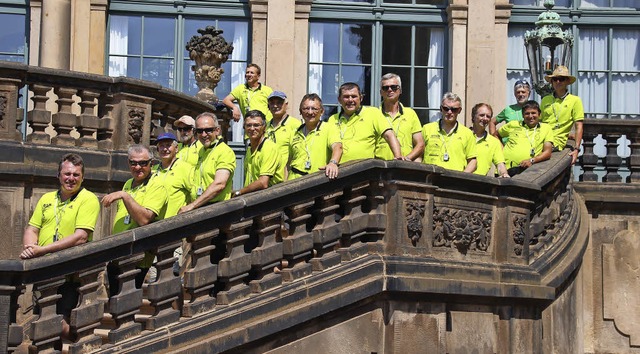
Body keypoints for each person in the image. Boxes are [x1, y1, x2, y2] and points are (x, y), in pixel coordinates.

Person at [20, 153, 100, 340]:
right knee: (42, 320)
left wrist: (42, 250)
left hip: (70, 273)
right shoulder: (47, 198)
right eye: (67, 174)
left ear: (82, 177)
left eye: (76, 175)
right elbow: (32, 228)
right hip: (45, 271)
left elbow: (80, 237)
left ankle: (80, 342)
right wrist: (30, 247)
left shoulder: (87, 199)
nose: (71, 178)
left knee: (61, 324)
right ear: (58, 175)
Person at [102, 145, 168, 292]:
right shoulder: (128, 184)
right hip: (119, 251)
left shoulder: (157, 185)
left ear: (151, 163)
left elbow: (145, 219)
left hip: (137, 257)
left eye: (143, 163)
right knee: (114, 301)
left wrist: (125, 196)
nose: (138, 167)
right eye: (133, 163)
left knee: (126, 302)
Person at [326, 82, 404, 163]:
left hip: (364, 170)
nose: (350, 100)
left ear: (361, 98)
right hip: (339, 171)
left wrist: (398, 158)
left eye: (354, 96)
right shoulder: (333, 119)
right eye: (346, 97)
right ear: (339, 99)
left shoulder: (373, 113)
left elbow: (389, 135)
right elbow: (334, 145)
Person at [179, 112, 236, 213]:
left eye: (208, 130)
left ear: (217, 130)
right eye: (199, 131)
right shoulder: (202, 150)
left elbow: (219, 184)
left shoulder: (225, 151)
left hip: (215, 210)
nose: (204, 135)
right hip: (200, 206)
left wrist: (192, 205)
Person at [289, 93, 342, 180]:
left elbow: (337, 147)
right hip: (293, 181)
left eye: (314, 109)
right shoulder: (294, 132)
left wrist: (333, 163)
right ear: (300, 111)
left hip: (316, 181)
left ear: (322, 111)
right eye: (306, 108)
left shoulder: (329, 128)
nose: (310, 112)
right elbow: (288, 162)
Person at [422, 92, 477, 172]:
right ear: (441, 109)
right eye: (446, 109)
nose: (449, 112)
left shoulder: (467, 133)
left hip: (455, 181)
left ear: (459, 110)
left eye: (454, 109)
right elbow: (419, 156)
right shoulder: (427, 129)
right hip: (430, 179)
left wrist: (461, 177)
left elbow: (473, 161)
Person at [232, 110, 283, 197]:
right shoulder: (249, 148)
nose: (252, 128)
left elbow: (263, 183)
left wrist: (239, 192)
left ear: (264, 127)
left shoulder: (269, 148)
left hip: (270, 199)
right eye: (248, 125)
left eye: (256, 125)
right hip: (253, 198)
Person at [374, 73, 425, 161]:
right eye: (385, 88)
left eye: (394, 87)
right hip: (380, 168)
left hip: (405, 167)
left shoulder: (410, 113)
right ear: (381, 92)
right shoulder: (374, 114)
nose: (390, 90)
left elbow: (420, 144)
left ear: (400, 90)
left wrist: (407, 159)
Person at [540, 65, 584, 165]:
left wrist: (576, 149)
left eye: (561, 79)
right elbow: (539, 121)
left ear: (567, 81)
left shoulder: (575, 100)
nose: (558, 82)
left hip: (554, 143)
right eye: (555, 79)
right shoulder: (545, 99)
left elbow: (579, 126)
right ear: (551, 82)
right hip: (540, 137)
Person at [498, 100, 554, 176]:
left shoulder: (546, 128)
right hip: (504, 169)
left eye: (533, 113)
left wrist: (531, 160)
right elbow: (496, 135)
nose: (530, 116)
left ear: (539, 114)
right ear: (523, 115)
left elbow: (547, 152)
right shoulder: (513, 124)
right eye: (527, 113)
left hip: (527, 171)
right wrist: (501, 149)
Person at [150, 132, 194, 218]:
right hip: (152, 224)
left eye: (168, 145)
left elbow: (195, 195)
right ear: (158, 149)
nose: (165, 149)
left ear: (176, 148)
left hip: (173, 224)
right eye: (161, 146)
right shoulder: (153, 170)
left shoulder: (186, 168)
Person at [265, 91, 302, 179]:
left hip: (286, 177)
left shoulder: (295, 124)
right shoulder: (265, 127)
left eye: (279, 103)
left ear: (286, 104)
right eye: (272, 103)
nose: (275, 106)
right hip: (268, 175)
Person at [470, 103, 510, 178]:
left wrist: (504, 174)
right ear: (473, 117)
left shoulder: (494, 142)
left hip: (480, 183)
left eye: (488, 116)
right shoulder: (463, 135)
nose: (485, 119)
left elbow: (500, 164)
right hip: (459, 180)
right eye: (482, 115)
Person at [489, 79, 531, 143]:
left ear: (529, 93)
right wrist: (495, 140)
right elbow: (492, 122)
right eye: (518, 92)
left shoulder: (533, 109)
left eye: (523, 92)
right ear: (514, 94)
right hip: (508, 148)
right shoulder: (508, 109)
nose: (520, 94)